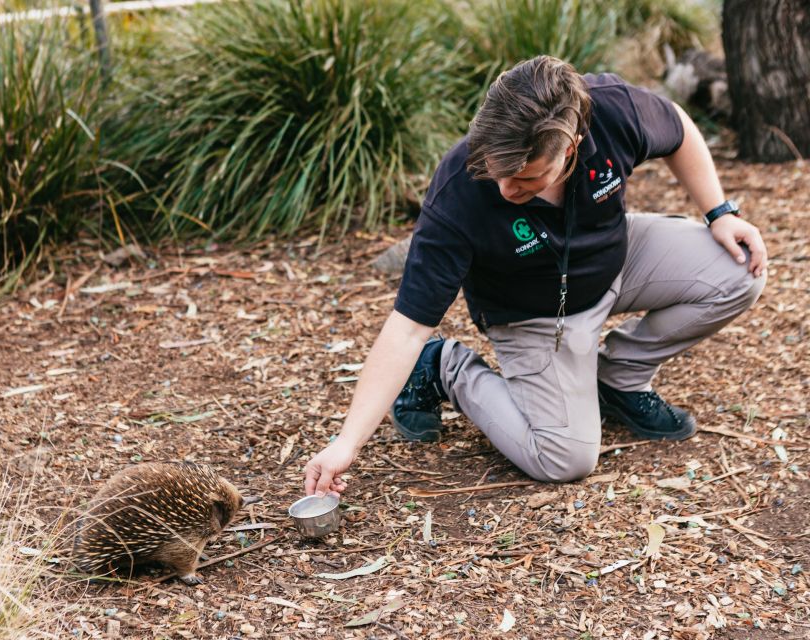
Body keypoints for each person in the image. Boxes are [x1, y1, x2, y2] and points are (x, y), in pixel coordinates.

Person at [304, 55, 767, 496]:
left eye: (526, 179)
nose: (506, 189)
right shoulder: (459, 192)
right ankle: (445, 367)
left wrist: (719, 212)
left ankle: (620, 377)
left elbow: (678, 127)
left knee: (740, 269)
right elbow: (406, 326)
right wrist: (346, 444)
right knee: (564, 458)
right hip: (534, 313)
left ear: (570, 148)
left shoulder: (611, 109)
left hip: (614, 257)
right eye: (498, 173)